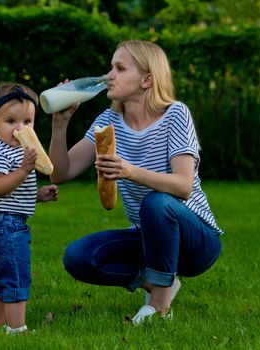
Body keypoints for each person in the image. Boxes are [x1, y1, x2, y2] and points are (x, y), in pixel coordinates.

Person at [48, 40, 223, 325]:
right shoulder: (108, 120)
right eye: (111, 67)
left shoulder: (175, 114)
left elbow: (183, 185)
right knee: (78, 256)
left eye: (119, 68)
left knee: (156, 201)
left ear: (146, 79)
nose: (109, 76)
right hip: (149, 237)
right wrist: (60, 124)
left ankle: (159, 307)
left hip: (197, 240)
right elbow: (60, 174)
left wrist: (130, 170)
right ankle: (159, 282)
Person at [0, 82, 59, 334]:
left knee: (1, 276)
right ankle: (17, 329)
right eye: (11, 121)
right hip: (2, 224)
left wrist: (38, 196)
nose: (19, 129)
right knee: (16, 275)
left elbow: (14, 193)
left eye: (27, 122)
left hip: (8, 220)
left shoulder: (21, 151)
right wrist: (24, 169)